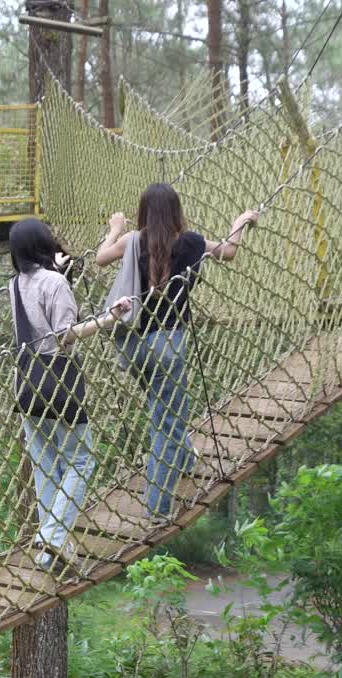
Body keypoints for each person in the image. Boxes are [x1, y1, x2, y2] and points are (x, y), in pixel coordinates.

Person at [97, 183, 258, 520]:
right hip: (168, 344)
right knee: (167, 422)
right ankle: (157, 508)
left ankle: (185, 459)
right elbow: (228, 252)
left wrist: (114, 229)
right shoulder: (193, 242)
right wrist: (240, 221)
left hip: (132, 347)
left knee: (162, 407)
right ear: (177, 211)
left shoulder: (133, 241)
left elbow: (100, 258)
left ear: (143, 212)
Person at [7, 218, 132, 572]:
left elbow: (38, 321)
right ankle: (53, 537)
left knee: (45, 466)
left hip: (25, 382)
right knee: (82, 459)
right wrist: (110, 317)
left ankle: (48, 551)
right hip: (58, 382)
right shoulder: (55, 284)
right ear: (44, 243)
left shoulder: (14, 285)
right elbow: (64, 335)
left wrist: (61, 275)